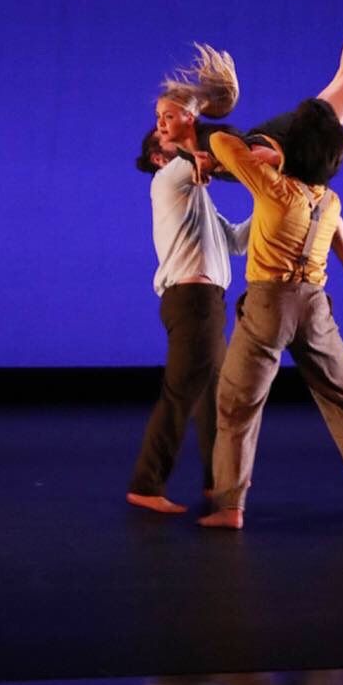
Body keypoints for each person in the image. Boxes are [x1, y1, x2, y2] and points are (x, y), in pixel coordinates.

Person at [198, 100, 343, 530]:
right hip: (314, 307)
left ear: (293, 150)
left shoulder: (273, 187)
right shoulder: (330, 201)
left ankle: (230, 506)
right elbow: (338, 231)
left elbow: (221, 142)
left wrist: (275, 156)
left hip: (269, 304)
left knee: (238, 401)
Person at [125, 133, 250, 514]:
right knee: (181, 395)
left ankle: (216, 483)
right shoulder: (168, 179)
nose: (180, 146)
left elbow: (236, 241)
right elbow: (203, 155)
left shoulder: (198, 199)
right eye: (168, 142)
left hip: (206, 303)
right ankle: (147, 484)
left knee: (213, 398)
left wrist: (270, 201)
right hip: (193, 301)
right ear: (158, 158)